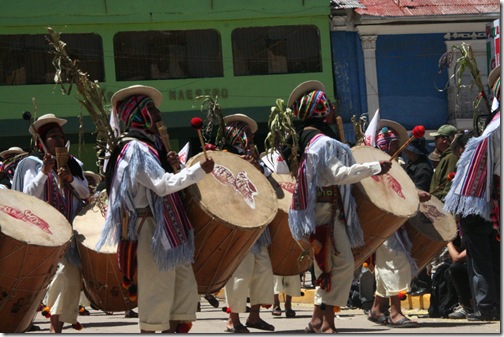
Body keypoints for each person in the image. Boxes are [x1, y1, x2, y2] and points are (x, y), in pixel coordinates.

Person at [96, 85, 215, 333]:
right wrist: (197, 171)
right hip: (148, 227)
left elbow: (165, 183)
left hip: (167, 226)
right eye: (150, 108)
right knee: (157, 291)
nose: (158, 112)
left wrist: (176, 168)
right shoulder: (134, 149)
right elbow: (161, 186)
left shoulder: (151, 146)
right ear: (137, 114)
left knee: (182, 289)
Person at [286, 80, 391, 333]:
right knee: (336, 264)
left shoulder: (309, 139)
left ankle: (317, 319)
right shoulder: (321, 142)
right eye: (329, 106)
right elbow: (338, 174)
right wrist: (374, 167)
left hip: (327, 211)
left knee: (330, 264)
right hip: (325, 212)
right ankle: (327, 322)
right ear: (320, 110)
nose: (333, 110)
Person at [12, 113, 91, 333]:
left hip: (72, 233)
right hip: (46, 232)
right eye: (52, 136)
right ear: (42, 142)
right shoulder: (31, 163)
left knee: (73, 276)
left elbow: (85, 192)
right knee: (62, 273)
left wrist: (70, 179)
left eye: (60, 135)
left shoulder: (74, 164)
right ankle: (54, 326)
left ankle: (60, 322)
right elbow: (28, 196)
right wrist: (45, 172)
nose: (58, 139)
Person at [444, 65, 501, 321]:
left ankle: (486, 307)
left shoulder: (493, 130)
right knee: (494, 258)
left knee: (481, 261)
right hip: (491, 203)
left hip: (480, 203)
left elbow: (479, 170)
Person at [367, 121, 428, 329]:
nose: (396, 147)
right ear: (383, 145)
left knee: (387, 264)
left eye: (395, 143)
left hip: (395, 221)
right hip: (383, 222)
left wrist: (415, 194)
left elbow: (400, 190)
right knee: (396, 262)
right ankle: (395, 312)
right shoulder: (375, 167)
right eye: (392, 144)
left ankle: (376, 310)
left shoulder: (397, 166)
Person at [221, 113, 276, 333]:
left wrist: (256, 166)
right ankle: (232, 319)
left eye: (250, 134)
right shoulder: (223, 156)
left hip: (257, 222)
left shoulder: (254, 156)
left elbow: (269, 178)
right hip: (236, 222)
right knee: (239, 272)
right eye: (244, 133)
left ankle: (254, 316)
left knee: (263, 270)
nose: (250, 138)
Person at [429, 124, 458, 200]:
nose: (435, 140)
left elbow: (448, 184)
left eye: (437, 138)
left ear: (445, 139)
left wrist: (442, 203)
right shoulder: (446, 157)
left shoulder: (451, 157)